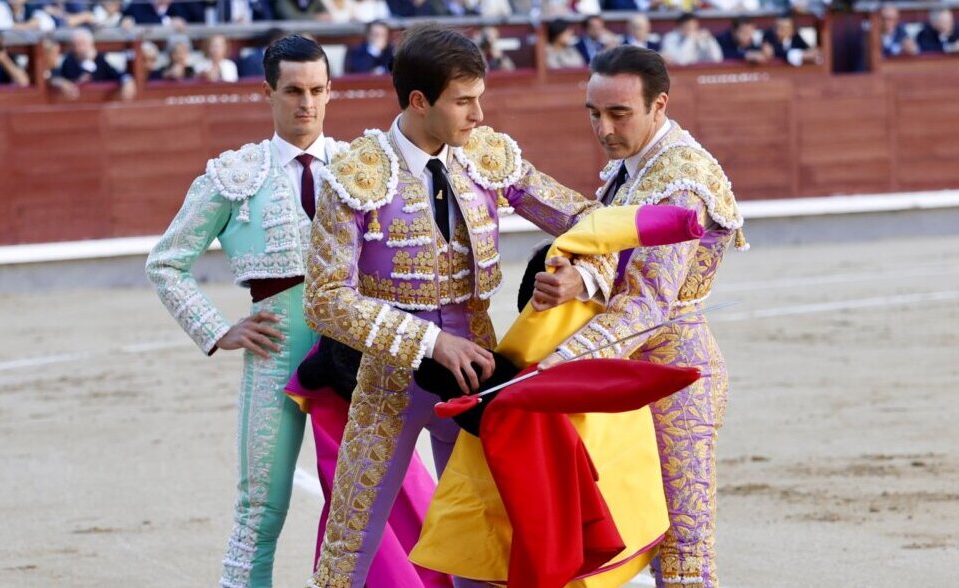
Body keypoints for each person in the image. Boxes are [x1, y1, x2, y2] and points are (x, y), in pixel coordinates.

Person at [303, 22, 616, 588]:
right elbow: (325, 301)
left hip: (476, 372)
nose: (478, 116)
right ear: (420, 101)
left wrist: (584, 277)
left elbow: (590, 223)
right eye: (464, 102)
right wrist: (429, 341)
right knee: (351, 537)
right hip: (389, 374)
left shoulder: (486, 155)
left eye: (480, 100)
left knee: (482, 533)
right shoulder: (357, 173)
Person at [536, 45, 747, 588]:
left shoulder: (681, 179)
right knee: (634, 527)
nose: (603, 128)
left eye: (618, 114)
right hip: (628, 372)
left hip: (675, 380)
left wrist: (560, 367)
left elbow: (649, 299)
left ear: (659, 106)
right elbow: (609, 242)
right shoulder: (635, 167)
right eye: (593, 113)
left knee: (682, 542)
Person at [146, 35, 348, 588]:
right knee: (261, 509)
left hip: (357, 355)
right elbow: (166, 262)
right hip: (275, 353)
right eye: (292, 91)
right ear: (268, 93)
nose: (306, 103)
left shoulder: (363, 168)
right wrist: (217, 330)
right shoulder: (233, 176)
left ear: (330, 92)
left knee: (367, 503)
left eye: (316, 90)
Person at [60, 28, 136, 100]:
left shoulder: (101, 59)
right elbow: (57, 76)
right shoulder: (69, 61)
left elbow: (119, 74)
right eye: (75, 44)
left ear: (90, 44)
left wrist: (127, 81)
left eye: (82, 43)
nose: (78, 48)